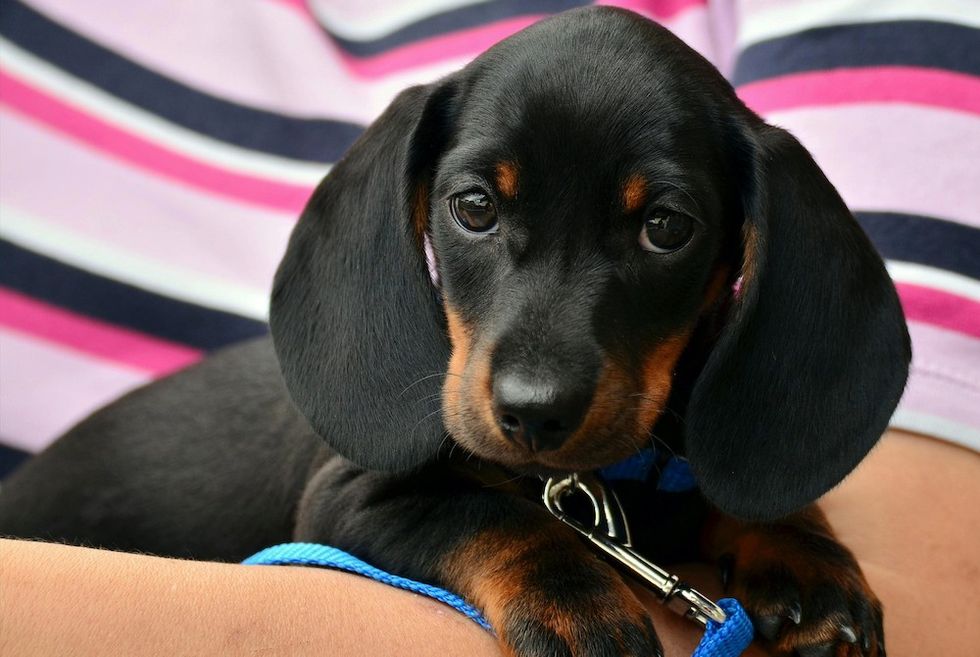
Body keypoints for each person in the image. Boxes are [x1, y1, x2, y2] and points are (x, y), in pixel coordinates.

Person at [1, 1, 977, 655]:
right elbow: (367, 506)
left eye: (660, 226)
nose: (532, 382)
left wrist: (768, 522)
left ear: (742, 252)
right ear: (418, 208)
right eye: (479, 212)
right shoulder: (401, 427)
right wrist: (524, 565)